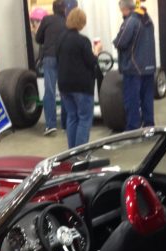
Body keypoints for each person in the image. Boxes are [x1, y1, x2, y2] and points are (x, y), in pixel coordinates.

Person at [58, 8, 101, 148]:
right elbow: (91, 62)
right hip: (81, 86)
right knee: (84, 119)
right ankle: (80, 154)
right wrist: (96, 52)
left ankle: (72, 152)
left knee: (72, 117)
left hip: (64, 85)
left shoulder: (61, 39)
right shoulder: (83, 41)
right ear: (82, 22)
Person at [113, 0, 157, 130]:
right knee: (147, 100)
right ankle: (149, 127)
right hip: (149, 67)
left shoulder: (131, 21)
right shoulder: (148, 20)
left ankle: (133, 129)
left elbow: (120, 42)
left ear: (125, 9)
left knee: (132, 101)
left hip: (134, 68)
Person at [35, 0, 68, 135]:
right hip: (64, 58)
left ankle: (50, 125)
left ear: (53, 9)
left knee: (49, 91)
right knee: (65, 90)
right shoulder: (67, 21)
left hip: (49, 57)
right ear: (64, 9)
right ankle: (66, 123)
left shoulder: (47, 19)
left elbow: (38, 38)